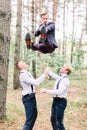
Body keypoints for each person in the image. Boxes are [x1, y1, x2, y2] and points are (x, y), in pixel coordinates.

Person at [15, 60, 47, 130]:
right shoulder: (23, 75)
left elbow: (33, 83)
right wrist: (44, 74)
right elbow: (35, 83)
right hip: (28, 98)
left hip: (31, 97)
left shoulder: (27, 73)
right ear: (20, 67)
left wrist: (44, 77)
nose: (25, 62)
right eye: (22, 63)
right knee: (29, 120)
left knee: (34, 116)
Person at [40, 64, 73, 130]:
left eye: (63, 67)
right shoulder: (60, 77)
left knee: (59, 122)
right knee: (53, 120)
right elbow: (54, 76)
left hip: (61, 102)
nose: (61, 67)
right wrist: (47, 70)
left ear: (66, 71)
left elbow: (59, 91)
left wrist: (46, 90)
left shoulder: (65, 80)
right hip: (55, 100)